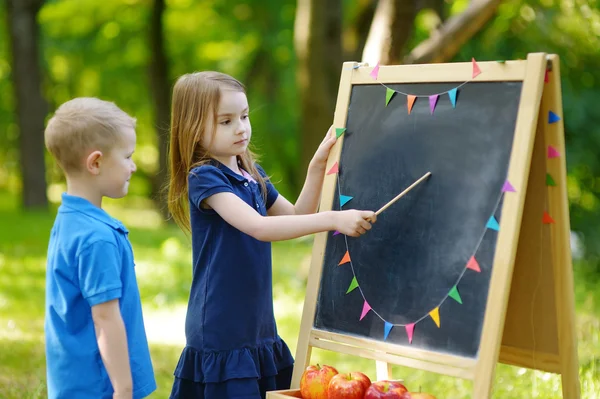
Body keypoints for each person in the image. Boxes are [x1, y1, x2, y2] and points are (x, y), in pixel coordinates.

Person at [167, 71, 377, 399]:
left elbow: (296, 216)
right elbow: (260, 227)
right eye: (225, 121)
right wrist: (334, 218)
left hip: (257, 322)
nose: (240, 127)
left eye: (244, 116)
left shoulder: (250, 174)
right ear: (193, 129)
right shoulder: (205, 178)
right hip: (222, 326)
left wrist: (316, 169)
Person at [43, 98, 156, 399]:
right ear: (95, 163)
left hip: (74, 382)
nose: (133, 166)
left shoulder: (70, 219)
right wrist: (123, 388)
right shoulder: (96, 238)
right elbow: (105, 318)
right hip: (98, 386)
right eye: (127, 156)